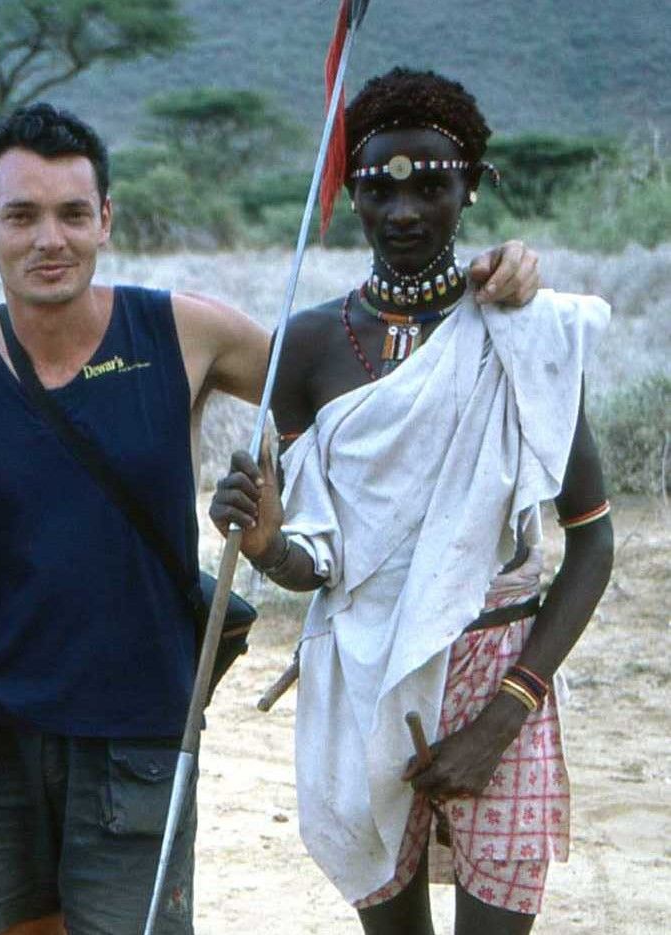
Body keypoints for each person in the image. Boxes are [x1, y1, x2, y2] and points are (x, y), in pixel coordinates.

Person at [0, 104, 541, 934]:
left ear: (106, 219)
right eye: (24, 215)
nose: (51, 239)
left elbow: (362, 388)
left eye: (73, 214)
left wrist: (475, 294)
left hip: (140, 741)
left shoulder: (184, 334)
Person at [209, 68, 613, 935]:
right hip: (364, 677)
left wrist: (505, 714)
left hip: (500, 672)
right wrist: (268, 542)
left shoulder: (523, 328)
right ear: (350, 194)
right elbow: (318, 563)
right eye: (378, 186)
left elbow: (593, 542)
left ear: (471, 188)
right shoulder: (310, 344)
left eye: (432, 183)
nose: (404, 211)